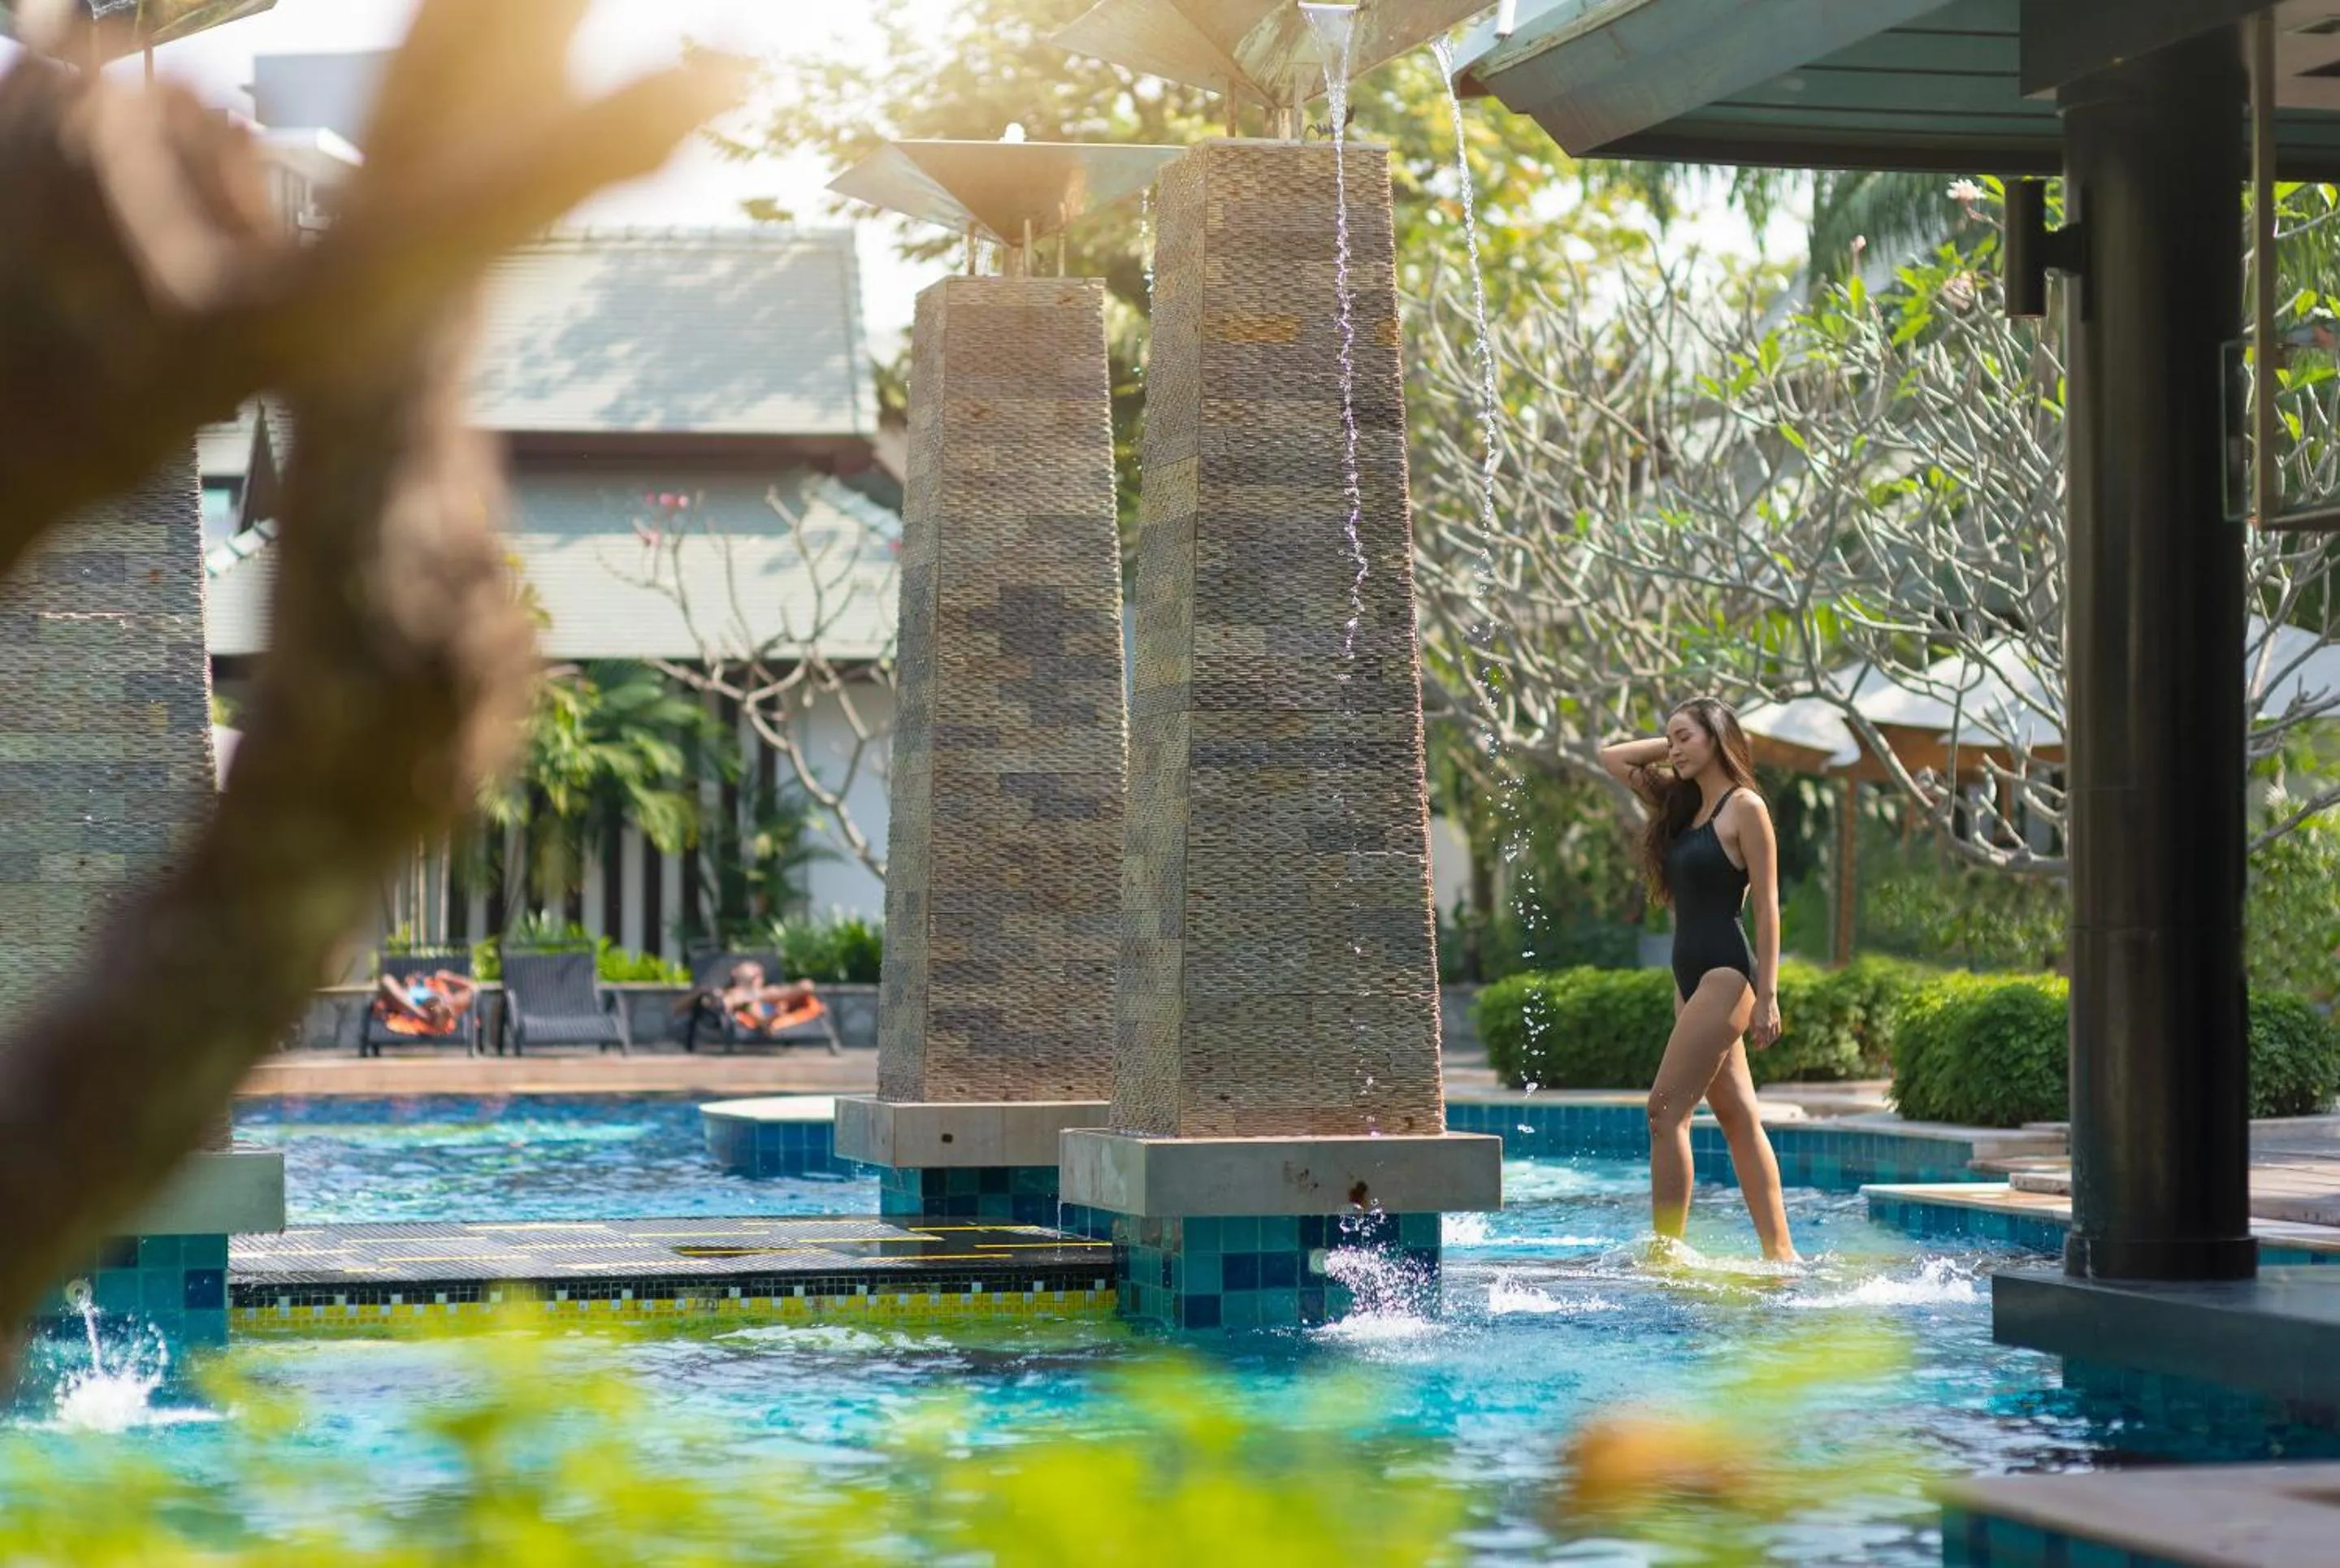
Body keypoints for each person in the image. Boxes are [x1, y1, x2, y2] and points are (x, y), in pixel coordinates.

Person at [1600, 698, 1798, 1263]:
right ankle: (1781, 1255)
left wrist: (1768, 995)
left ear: (1716, 736)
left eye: (1686, 736)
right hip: (1688, 979)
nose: (1675, 748)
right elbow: (1613, 758)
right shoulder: (1681, 803)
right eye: (1670, 739)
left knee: (1664, 1113)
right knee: (1738, 1117)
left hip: (1726, 973)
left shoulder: (1745, 808)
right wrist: (1673, 748)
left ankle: (1666, 1255)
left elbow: (1768, 908)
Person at [719, 960, 824, 1036]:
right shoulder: (735, 993)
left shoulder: (769, 991)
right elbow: (725, 1003)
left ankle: (768, 1021)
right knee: (751, 1003)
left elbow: (807, 986)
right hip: (760, 1020)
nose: (757, 969)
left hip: (774, 1015)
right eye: (752, 967)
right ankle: (768, 1022)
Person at [373, 968, 478, 1037]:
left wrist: (450, 977)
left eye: (417, 978)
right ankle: (424, 1014)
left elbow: (473, 988)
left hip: (433, 1007)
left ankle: (430, 1014)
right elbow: (386, 984)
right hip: (412, 1007)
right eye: (411, 978)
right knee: (386, 979)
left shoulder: (433, 987)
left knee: (439, 1002)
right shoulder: (401, 992)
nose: (412, 979)